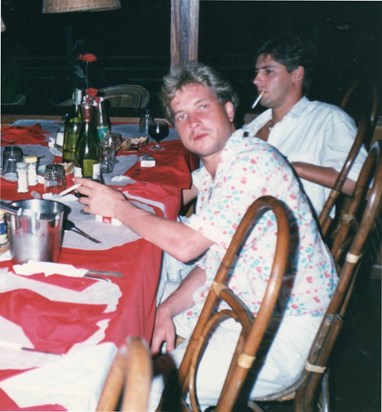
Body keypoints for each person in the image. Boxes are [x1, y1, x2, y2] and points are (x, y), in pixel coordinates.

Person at [74, 62, 337, 410]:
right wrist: (167, 309)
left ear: (229, 110)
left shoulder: (250, 165)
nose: (193, 122)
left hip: (279, 333)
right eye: (181, 115)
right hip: (241, 306)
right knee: (129, 303)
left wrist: (121, 207)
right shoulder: (223, 167)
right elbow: (215, 264)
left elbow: (186, 247)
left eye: (202, 107)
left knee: (134, 388)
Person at [243, 34, 368, 215]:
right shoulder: (254, 126)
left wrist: (293, 167)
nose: (256, 80)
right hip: (239, 220)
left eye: (268, 71)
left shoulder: (327, 119)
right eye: (256, 72)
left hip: (289, 232)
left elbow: (360, 185)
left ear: (297, 74)